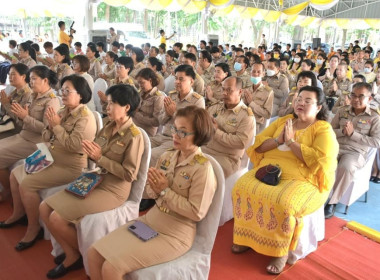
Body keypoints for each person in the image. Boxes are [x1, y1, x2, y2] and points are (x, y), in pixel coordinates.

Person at [87, 106, 216, 279]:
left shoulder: (202, 169)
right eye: (174, 129)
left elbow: (196, 212)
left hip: (174, 233)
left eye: (183, 132)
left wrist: (164, 191)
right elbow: (149, 190)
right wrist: (155, 189)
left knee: (112, 268)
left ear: (199, 135)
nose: (175, 135)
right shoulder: (167, 157)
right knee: (94, 253)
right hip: (150, 221)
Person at [37, 84, 143, 279]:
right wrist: (92, 154)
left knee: (56, 218)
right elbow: (95, 154)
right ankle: (76, 253)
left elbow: (129, 174)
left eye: (112, 104)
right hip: (96, 178)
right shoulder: (108, 126)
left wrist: (100, 158)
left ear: (127, 107)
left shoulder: (134, 136)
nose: (107, 107)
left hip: (114, 190)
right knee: (45, 208)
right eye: (107, 103)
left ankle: (74, 256)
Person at [232, 86, 339, 274]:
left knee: (285, 203)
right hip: (270, 171)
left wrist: (291, 143)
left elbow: (319, 162)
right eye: (299, 99)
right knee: (241, 186)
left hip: (305, 179)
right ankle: (246, 238)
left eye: (308, 101)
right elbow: (258, 146)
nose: (301, 104)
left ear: (319, 107)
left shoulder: (323, 129)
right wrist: (278, 141)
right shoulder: (284, 121)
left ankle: (281, 250)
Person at [0, 75, 96, 253]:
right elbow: (45, 134)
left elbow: (74, 146)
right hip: (51, 156)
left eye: (68, 91)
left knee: (27, 184)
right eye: (63, 90)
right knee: (15, 174)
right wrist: (51, 128)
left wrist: (56, 127)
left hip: (70, 166)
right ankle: (19, 213)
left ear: (81, 95)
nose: (63, 94)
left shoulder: (85, 117)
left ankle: (33, 228)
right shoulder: (63, 110)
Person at [0, 66, 60, 202]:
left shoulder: (51, 100)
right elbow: (21, 121)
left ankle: (8, 190)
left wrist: (25, 117)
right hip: (22, 136)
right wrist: (17, 112)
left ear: (45, 80)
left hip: (35, 142)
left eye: (34, 79)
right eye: (30, 79)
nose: (30, 82)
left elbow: (46, 129)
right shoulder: (33, 96)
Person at [326, 82, 380, 218]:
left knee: (346, 166)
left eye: (361, 96)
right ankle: (315, 193)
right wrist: (343, 132)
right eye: (353, 95)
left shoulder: (374, 117)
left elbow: (376, 142)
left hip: (355, 153)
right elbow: (329, 131)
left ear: (370, 98)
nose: (356, 99)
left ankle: (332, 202)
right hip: (336, 147)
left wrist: (353, 134)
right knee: (321, 158)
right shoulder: (342, 111)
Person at [202, 76, 255, 177]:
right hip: (205, 149)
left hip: (226, 158)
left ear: (240, 92)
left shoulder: (246, 116)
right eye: (223, 89)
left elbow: (240, 142)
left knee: (201, 173)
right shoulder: (215, 107)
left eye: (229, 90)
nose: (224, 93)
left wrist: (216, 131)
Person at [0, 63, 32, 139]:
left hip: (15, 130)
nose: (10, 77)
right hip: (6, 124)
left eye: (13, 74)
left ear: (23, 76)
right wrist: (3, 103)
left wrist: (6, 104)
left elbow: (20, 121)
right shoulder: (13, 91)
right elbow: (3, 113)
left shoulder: (28, 94)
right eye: (9, 74)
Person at [242, 62, 274, 133]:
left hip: (256, 124)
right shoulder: (247, 89)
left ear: (263, 74)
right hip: (242, 120)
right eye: (253, 71)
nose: (256, 74)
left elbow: (267, 114)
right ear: (250, 73)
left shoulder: (268, 92)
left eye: (259, 72)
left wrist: (251, 103)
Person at [133, 68, 165, 137]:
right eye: (138, 83)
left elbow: (156, 122)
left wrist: (136, 114)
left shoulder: (158, 97)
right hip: (133, 126)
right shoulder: (139, 93)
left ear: (150, 80)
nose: (140, 85)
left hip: (146, 131)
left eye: (142, 82)